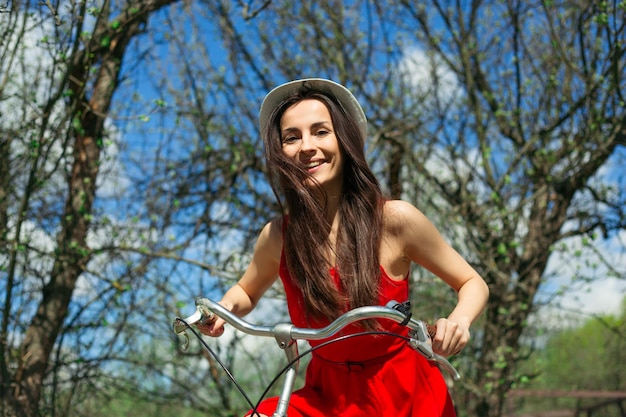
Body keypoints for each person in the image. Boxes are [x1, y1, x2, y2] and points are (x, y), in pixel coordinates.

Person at [198, 78, 489, 417]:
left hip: (402, 393)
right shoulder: (278, 236)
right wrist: (222, 309)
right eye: (292, 137)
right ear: (280, 153)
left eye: (321, 132)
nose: (307, 146)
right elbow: (246, 292)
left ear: (345, 140)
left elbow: (473, 283)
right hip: (326, 396)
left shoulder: (394, 220)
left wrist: (459, 321)